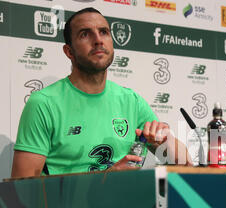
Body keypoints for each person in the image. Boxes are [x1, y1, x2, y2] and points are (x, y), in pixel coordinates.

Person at [11, 7, 191, 178]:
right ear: (69, 52)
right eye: (85, 34)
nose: (98, 40)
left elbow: (186, 166)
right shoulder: (43, 104)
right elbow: (23, 187)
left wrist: (163, 142)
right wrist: (104, 179)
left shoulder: (132, 101)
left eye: (104, 32)